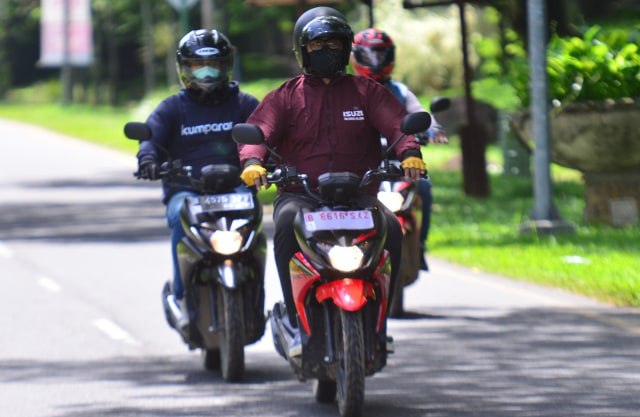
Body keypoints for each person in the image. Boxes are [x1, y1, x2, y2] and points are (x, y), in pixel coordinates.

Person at [237, 7, 428, 347]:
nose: (328, 52)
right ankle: (295, 318)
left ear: (346, 50)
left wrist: (410, 153)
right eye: (318, 45)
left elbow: (398, 125)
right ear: (302, 49)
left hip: (358, 195)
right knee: (283, 226)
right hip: (302, 196)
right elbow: (260, 130)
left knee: (393, 229)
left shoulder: (366, 91)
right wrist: (253, 161)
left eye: (335, 44)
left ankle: (380, 323)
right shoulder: (285, 95)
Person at [136, 29, 259, 319]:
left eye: (214, 64)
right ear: (184, 68)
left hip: (236, 191)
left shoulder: (245, 104)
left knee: (255, 217)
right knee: (180, 213)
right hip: (188, 192)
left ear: (226, 65)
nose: (205, 71)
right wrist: (148, 158)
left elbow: (267, 135)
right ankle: (182, 296)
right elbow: (150, 138)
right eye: (196, 65)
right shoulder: (171, 108)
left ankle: (254, 296)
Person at [351, 28, 449, 271]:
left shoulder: (400, 91)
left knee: (423, 187)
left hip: (398, 162)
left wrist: (433, 130)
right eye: (370, 56)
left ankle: (421, 245)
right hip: (362, 164)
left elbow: (419, 113)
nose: (376, 62)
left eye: (381, 55)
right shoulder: (349, 90)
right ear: (355, 57)